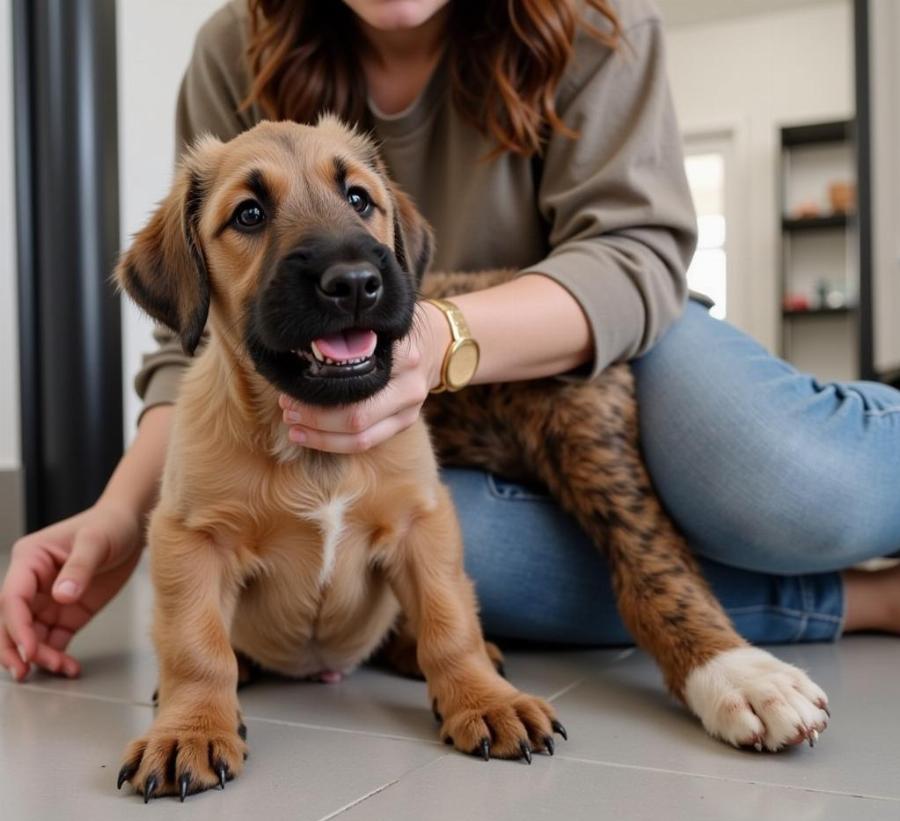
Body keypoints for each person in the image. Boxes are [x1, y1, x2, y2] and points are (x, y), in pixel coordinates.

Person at [2, 0, 899, 682]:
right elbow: (200, 339)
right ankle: (855, 603)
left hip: (595, 351)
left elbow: (637, 254)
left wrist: (442, 337)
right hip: (394, 428)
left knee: (787, 488)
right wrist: (119, 515)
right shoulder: (235, 43)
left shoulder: (590, 21)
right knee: (468, 568)